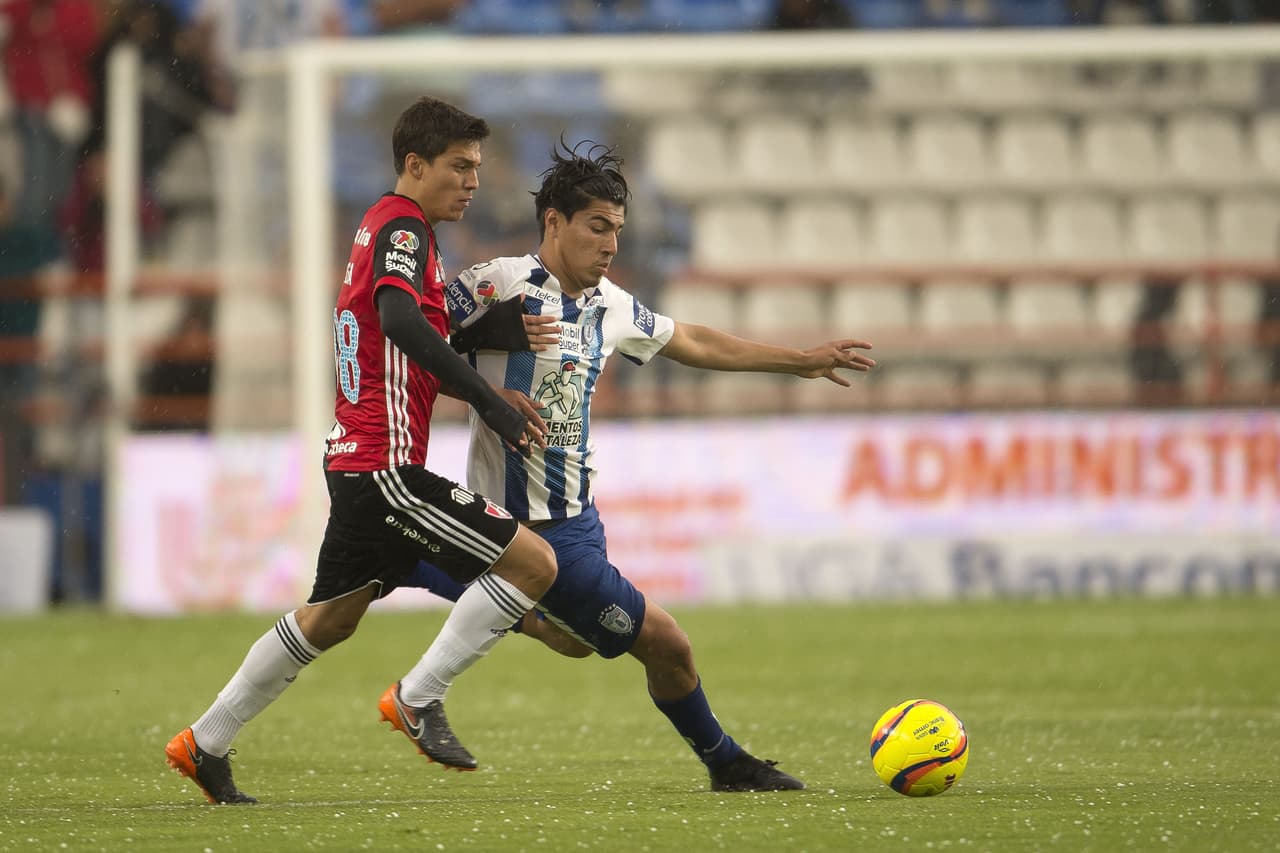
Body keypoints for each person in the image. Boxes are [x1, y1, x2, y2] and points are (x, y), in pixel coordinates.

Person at [407, 141, 876, 792]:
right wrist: (485, 393)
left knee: (572, 640)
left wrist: (798, 359)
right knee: (669, 644)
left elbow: (694, 340)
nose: (610, 245)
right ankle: (726, 761)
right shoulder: (492, 285)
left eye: (617, 231)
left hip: (578, 519)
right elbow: (413, 348)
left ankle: (435, 567)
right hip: (523, 525)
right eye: (597, 226)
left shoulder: (609, 305)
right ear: (553, 223)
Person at [163, 96, 558, 804]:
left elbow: (405, 329)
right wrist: (490, 402)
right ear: (415, 164)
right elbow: (400, 318)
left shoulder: (386, 228)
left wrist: (489, 328)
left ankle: (203, 741)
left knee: (329, 618)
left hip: (354, 461)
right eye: (459, 165)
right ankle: (419, 695)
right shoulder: (403, 229)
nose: (473, 180)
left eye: (477, 167)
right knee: (535, 562)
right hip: (386, 471)